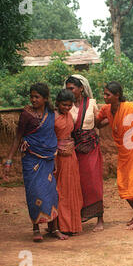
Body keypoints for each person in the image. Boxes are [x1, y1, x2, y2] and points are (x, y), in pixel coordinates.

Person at [4, 83, 68, 242]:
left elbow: (56, 131)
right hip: (31, 159)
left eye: (37, 97)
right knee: (35, 193)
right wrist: (9, 159)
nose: (33, 99)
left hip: (48, 159)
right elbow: (18, 136)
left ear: (45, 99)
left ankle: (54, 228)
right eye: (31, 96)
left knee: (52, 193)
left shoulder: (51, 114)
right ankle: (36, 228)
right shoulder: (26, 114)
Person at [96, 81, 133, 230]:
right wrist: (108, 120)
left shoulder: (130, 108)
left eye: (108, 95)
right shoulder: (107, 109)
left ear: (117, 95)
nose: (105, 97)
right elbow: (97, 123)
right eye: (104, 94)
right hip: (123, 149)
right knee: (123, 183)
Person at [65, 75, 104, 232]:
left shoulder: (91, 104)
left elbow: (99, 123)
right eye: (67, 89)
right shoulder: (67, 106)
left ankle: (100, 218)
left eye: (72, 88)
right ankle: (78, 217)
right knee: (77, 183)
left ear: (81, 88)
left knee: (93, 182)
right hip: (74, 149)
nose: (69, 91)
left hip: (91, 147)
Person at [54, 89, 84, 235]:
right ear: (58, 103)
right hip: (58, 158)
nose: (67, 108)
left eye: (69, 105)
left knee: (73, 190)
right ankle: (60, 226)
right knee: (61, 191)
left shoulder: (70, 116)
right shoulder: (52, 117)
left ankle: (72, 225)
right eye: (64, 105)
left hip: (71, 157)